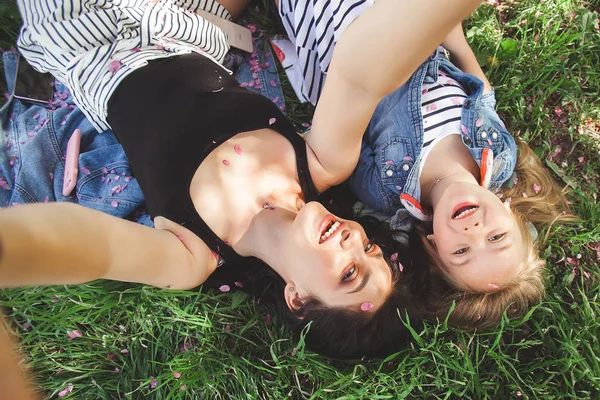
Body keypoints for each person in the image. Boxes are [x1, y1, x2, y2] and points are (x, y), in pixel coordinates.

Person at [0, 0, 484, 358]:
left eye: (349, 273)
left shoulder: (191, 255)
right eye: (371, 251)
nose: (353, 240)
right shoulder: (320, 162)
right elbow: (360, 74)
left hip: (89, 45)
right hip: (185, 27)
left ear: (298, 297)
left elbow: (94, 247)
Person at [278, 4, 575, 328]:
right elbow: (483, 97)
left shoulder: (387, 189)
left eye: (461, 252)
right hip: (415, 26)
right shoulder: (499, 154)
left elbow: (338, 130)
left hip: (339, 41)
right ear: (511, 212)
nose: (474, 232)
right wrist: (456, 39)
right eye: (496, 237)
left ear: (433, 244)